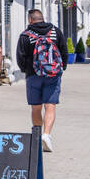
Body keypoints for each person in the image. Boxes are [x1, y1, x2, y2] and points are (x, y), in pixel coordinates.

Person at [15, 8, 66, 153]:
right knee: (50, 106)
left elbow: (20, 57)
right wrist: (62, 68)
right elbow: (64, 50)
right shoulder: (55, 31)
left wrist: (27, 70)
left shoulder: (25, 35)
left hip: (33, 75)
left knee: (36, 107)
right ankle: (47, 134)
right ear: (42, 18)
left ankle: (37, 138)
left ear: (30, 20)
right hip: (53, 74)